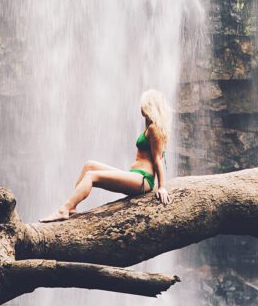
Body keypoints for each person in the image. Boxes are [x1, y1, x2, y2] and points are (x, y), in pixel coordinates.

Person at [45, 89, 171, 221]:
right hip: (136, 175)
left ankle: (64, 210)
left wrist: (162, 187)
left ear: (150, 106)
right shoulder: (150, 127)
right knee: (89, 165)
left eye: (143, 104)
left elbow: (158, 159)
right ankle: (72, 206)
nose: (140, 107)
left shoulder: (154, 129)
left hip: (143, 180)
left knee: (91, 175)